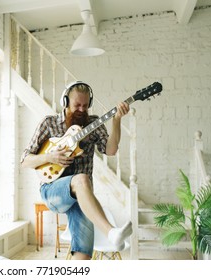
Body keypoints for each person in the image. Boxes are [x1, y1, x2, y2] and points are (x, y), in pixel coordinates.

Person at [20, 81, 133, 260]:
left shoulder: (93, 124)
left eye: (85, 106)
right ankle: (112, 233)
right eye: (76, 105)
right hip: (52, 191)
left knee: (83, 254)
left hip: (81, 197)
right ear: (65, 102)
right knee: (81, 179)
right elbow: (25, 160)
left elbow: (110, 150)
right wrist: (50, 157)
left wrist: (117, 120)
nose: (81, 110)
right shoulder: (49, 124)